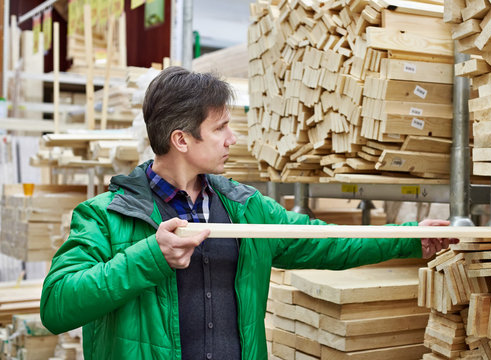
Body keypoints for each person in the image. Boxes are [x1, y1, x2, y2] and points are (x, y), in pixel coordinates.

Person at [40, 66, 457, 360]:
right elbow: (57, 306)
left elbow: (322, 241)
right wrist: (151, 257)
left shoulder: (244, 208)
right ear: (181, 139)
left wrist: (409, 235)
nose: (232, 139)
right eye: (220, 128)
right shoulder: (105, 216)